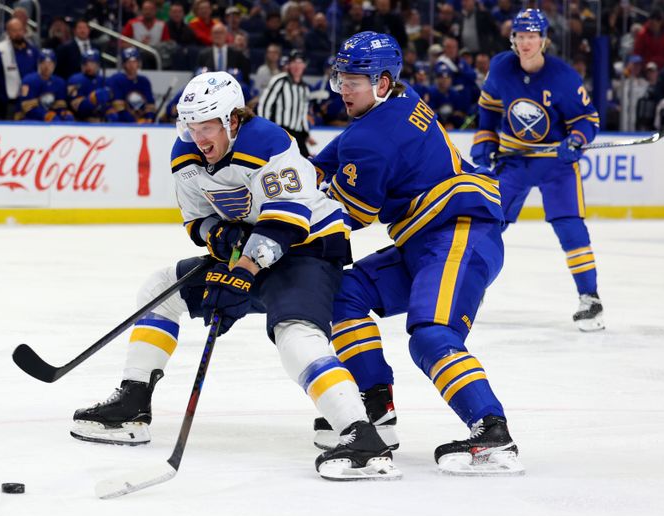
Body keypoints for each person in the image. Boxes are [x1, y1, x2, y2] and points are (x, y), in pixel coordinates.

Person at [70, 71, 401, 481]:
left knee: (294, 333)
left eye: (206, 126)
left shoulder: (269, 143)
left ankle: (361, 436)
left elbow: (286, 224)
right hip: (250, 253)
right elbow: (197, 222)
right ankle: (133, 402)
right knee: (160, 289)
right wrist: (222, 236)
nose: (198, 137)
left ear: (231, 120)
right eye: (190, 126)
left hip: (309, 251)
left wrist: (241, 272)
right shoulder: (186, 153)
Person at [311, 31, 524, 476]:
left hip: (459, 234)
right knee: (344, 293)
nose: (344, 88)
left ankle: (492, 432)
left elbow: (350, 215)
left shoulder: (369, 138)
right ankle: (376, 410)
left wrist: (278, 228)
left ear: (383, 82)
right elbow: (321, 165)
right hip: (425, 241)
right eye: (341, 77)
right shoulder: (402, 102)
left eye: (355, 79)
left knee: (431, 333)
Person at [471, 9, 603, 331]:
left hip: (556, 163)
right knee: (488, 220)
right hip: (515, 160)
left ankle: (591, 300)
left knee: (570, 227)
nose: (526, 42)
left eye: (532, 36)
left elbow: (589, 119)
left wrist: (576, 139)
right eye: (521, 36)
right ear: (513, 39)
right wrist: (485, 141)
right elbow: (487, 110)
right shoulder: (501, 67)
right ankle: (469, 288)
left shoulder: (563, 77)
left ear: (544, 40)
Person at [257, 50, 314, 157]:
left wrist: (306, 134)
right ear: (289, 65)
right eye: (294, 62)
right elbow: (265, 105)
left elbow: (302, 113)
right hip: (280, 130)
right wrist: (265, 128)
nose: (297, 66)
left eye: (300, 62)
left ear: (304, 66)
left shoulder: (305, 88)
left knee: (306, 163)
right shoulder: (279, 81)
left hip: (297, 134)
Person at [0, 17, 40, 120]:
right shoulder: (1, 50)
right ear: (8, 32)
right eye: (14, 30)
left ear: (24, 30)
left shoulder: (33, 51)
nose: (17, 33)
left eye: (20, 30)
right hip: (10, 101)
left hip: (31, 100)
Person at [19, 49, 74, 122]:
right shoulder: (29, 81)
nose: (46, 67)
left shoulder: (59, 82)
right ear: (38, 64)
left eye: (50, 64)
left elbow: (59, 106)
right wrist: (47, 115)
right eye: (43, 63)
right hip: (29, 120)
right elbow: (28, 108)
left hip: (50, 120)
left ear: (54, 65)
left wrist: (64, 113)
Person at [67, 49, 117, 122]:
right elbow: (78, 108)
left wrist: (109, 110)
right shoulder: (75, 80)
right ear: (82, 65)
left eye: (92, 63)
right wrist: (93, 98)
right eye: (86, 63)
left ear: (98, 64)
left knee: (114, 116)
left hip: (100, 121)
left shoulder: (104, 80)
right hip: (81, 121)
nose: (89, 66)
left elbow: (108, 103)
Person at [108, 47, 156, 123]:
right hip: (122, 124)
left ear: (138, 63)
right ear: (124, 64)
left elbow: (150, 105)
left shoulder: (144, 81)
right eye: (128, 62)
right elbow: (119, 108)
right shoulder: (116, 80)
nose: (132, 65)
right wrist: (136, 121)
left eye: (134, 61)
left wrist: (149, 118)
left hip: (143, 123)